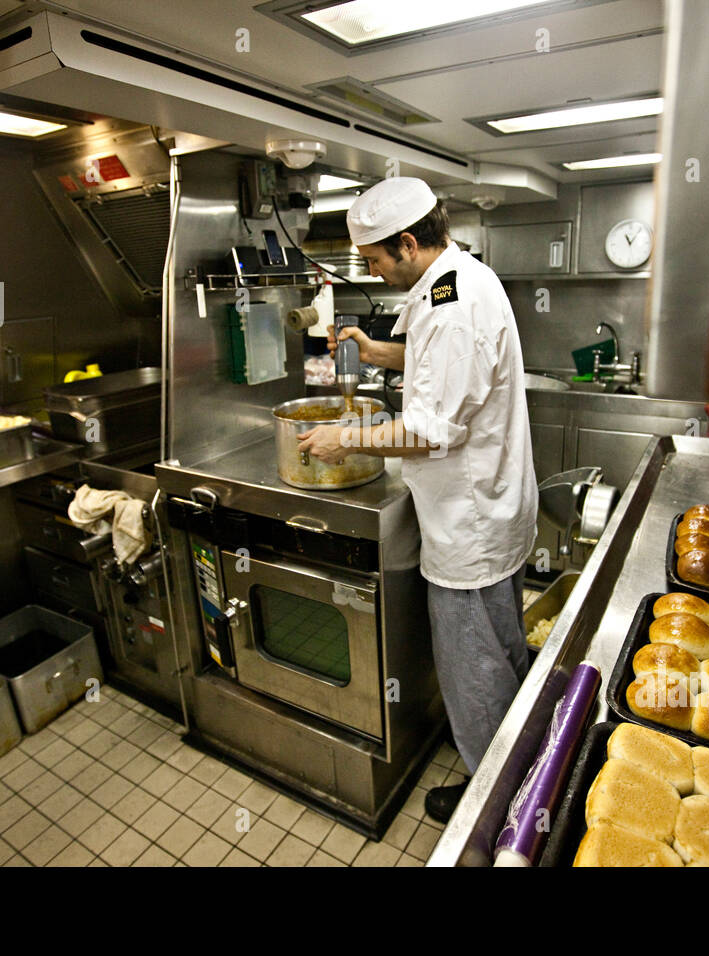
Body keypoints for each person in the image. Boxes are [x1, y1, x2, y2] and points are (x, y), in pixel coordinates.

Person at [297, 177, 538, 824]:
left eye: (375, 260)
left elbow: (431, 430)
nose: (372, 272)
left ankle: (501, 805)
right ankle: (524, 766)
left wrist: (345, 439)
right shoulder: (459, 278)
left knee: (474, 671)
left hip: (469, 523)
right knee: (505, 646)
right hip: (494, 507)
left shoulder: (452, 305)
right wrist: (380, 352)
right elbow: (442, 366)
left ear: (408, 242)